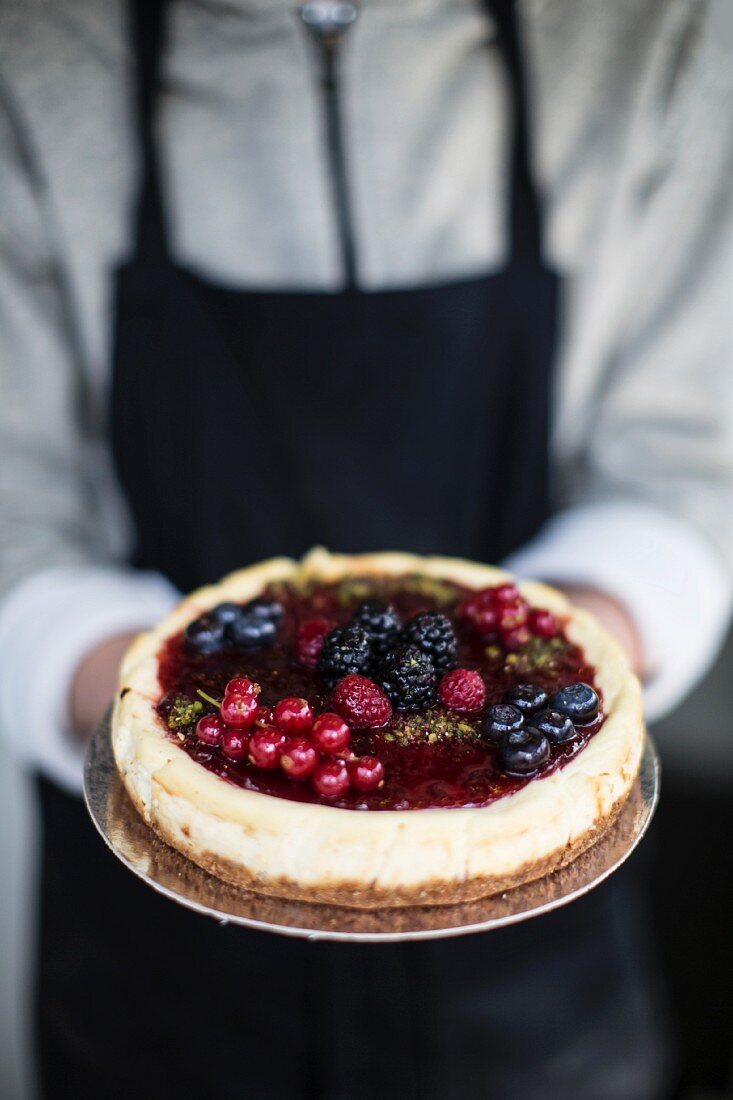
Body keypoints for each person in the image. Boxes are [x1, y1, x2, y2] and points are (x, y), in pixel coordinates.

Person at [1, 0, 731, 1096]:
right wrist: (185, 722)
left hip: (538, 992)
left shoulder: (652, 29)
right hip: (158, 981)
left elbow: (689, 464)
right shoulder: (35, 42)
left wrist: (554, 663)